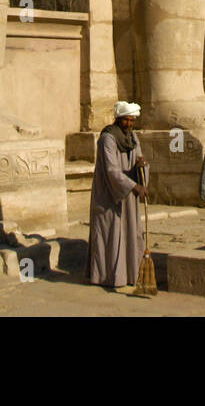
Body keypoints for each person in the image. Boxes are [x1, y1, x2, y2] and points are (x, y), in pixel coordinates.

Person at [86, 101, 149, 288]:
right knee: (110, 235)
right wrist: (134, 187)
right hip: (110, 194)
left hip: (127, 194)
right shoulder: (108, 138)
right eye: (126, 120)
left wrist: (142, 167)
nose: (129, 123)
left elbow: (139, 157)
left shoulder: (132, 137)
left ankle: (130, 273)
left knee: (130, 232)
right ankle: (107, 276)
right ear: (118, 119)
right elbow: (112, 171)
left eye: (132, 120)